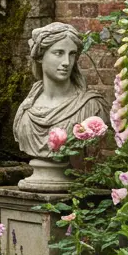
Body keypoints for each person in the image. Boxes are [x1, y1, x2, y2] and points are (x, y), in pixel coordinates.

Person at [13, 22, 107, 159]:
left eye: (72, 54)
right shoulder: (26, 110)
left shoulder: (91, 106)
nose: (67, 62)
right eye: (59, 53)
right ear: (40, 56)